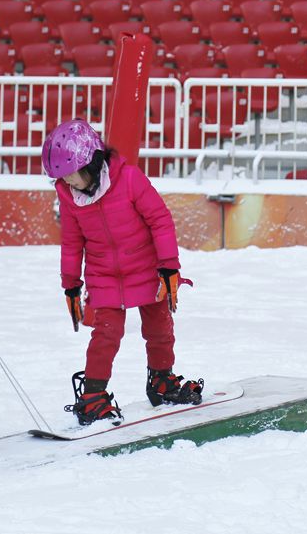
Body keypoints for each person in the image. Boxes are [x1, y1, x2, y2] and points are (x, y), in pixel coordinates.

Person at [43, 119, 203, 425]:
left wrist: (169, 266)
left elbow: (160, 219)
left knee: (159, 328)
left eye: (69, 175)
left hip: (146, 266)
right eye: (60, 178)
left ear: (90, 161)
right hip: (104, 275)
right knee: (106, 334)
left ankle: (161, 381)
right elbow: (72, 243)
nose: (66, 183)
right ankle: (92, 396)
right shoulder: (70, 198)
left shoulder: (129, 179)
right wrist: (71, 285)